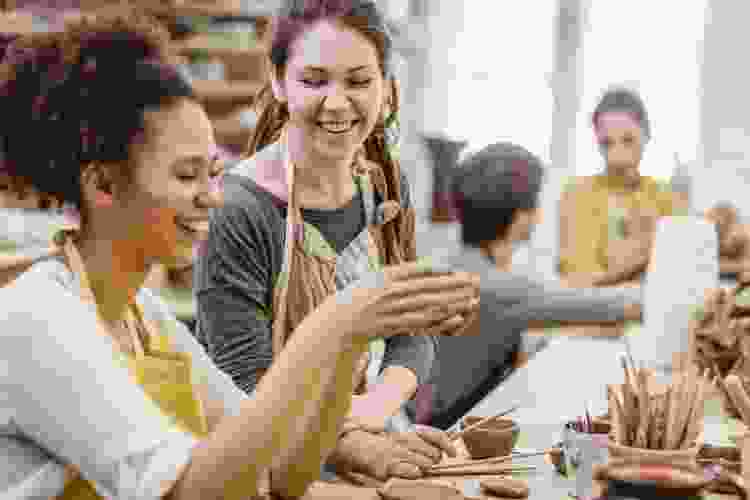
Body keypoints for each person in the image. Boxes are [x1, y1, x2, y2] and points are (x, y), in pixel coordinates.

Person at [0, 13, 478, 500]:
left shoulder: (145, 315)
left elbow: (274, 469)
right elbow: (190, 491)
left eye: (212, 172)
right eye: (187, 177)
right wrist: (331, 326)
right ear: (102, 185)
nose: (213, 197)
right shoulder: (38, 316)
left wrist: (347, 342)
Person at [194, 0, 479, 484]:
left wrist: (372, 413)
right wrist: (355, 442)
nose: (338, 102)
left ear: (386, 88)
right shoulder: (239, 209)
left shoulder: (385, 186)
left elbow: (412, 332)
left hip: (361, 435)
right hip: (263, 466)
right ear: (279, 82)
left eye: (359, 81)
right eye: (314, 80)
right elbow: (245, 388)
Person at [421, 142, 643, 429]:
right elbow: (611, 305)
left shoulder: (461, 266)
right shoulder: (494, 287)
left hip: (437, 418)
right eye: (535, 203)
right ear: (519, 215)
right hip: (441, 427)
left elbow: (556, 297)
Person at [558, 87, 679, 287]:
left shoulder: (664, 195)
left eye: (628, 141)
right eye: (607, 144)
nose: (617, 156)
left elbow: (687, 263)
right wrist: (650, 254)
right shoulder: (578, 195)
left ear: (647, 135)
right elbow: (581, 281)